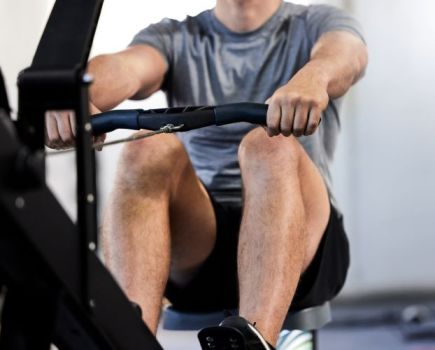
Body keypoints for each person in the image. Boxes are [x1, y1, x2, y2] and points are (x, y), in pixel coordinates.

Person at [45, 0, 368, 348]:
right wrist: (76, 95)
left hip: (303, 240)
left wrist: (314, 78)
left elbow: (346, 55)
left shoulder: (314, 22)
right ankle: (126, 340)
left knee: (268, 143)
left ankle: (255, 342)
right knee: (145, 147)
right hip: (202, 241)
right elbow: (127, 67)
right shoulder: (175, 36)